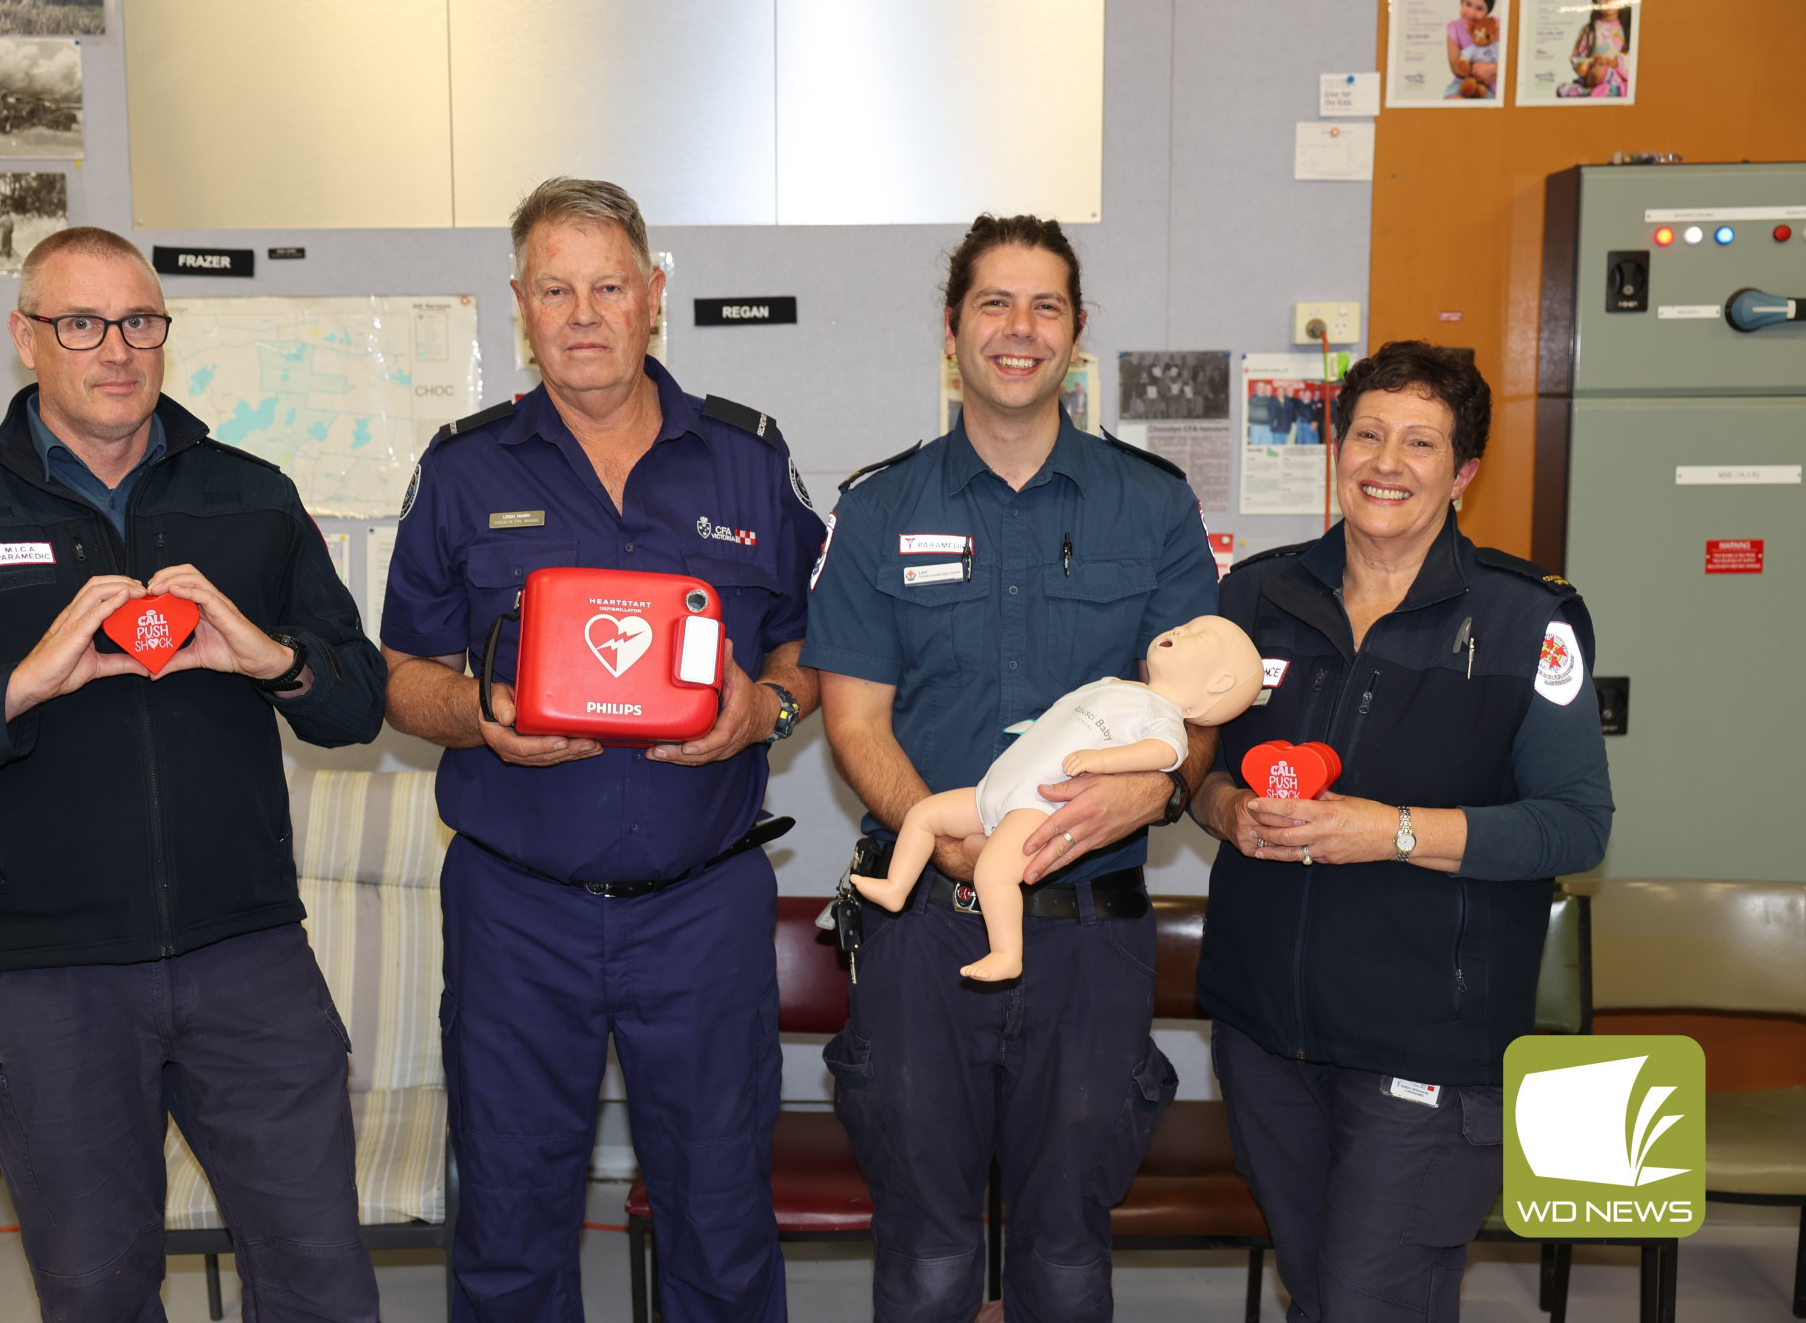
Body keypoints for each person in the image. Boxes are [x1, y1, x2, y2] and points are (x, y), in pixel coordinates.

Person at [0, 227, 387, 1322]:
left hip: (246, 958)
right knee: (96, 1291)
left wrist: (273, 660)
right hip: (49, 980)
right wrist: (10, 688)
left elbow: (357, 702)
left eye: (140, 322)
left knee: (320, 1280)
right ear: (27, 338)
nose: (117, 349)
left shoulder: (250, 496)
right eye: (81, 323)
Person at [378, 176, 825, 1323]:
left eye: (608, 286)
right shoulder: (462, 470)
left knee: (720, 1219)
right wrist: (477, 717)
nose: (583, 313)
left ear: (652, 297)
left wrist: (762, 713)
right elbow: (397, 674)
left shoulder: (748, 461)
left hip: (702, 905)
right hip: (517, 909)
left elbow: (814, 646)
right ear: (519, 306)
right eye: (556, 288)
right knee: (512, 1225)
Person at [804, 213, 1220, 1322]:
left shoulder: (1152, 502)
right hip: (922, 932)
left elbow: (1203, 707)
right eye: (993, 303)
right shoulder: (880, 507)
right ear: (950, 331)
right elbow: (853, 723)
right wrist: (946, 837)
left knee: (1067, 1256)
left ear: (1077, 335)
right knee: (928, 1252)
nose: (1018, 329)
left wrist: (1160, 784)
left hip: (1091, 929)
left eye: (1045, 307)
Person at [1191, 341, 1615, 1323]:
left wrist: (1391, 832)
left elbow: (1572, 826)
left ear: (1461, 471)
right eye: (1368, 434)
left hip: (1427, 1037)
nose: (1386, 462)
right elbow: (1195, 770)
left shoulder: (1526, 622)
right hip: (1265, 1033)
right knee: (1317, 1291)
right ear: (1337, 446)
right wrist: (1224, 812)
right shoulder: (1253, 598)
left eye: (1418, 443)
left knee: (1368, 1305)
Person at [852, 616, 1261, 982]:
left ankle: (1006, 954)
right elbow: (1063, 716)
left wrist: (1105, 759)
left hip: (1036, 806)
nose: (1178, 630)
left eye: (1197, 636)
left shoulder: (1164, 717)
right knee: (925, 814)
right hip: (996, 789)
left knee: (993, 871)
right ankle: (896, 886)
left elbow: (1165, 753)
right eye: (1183, 625)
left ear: (1219, 684)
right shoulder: (1114, 686)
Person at [1560, 0, 1633, 99]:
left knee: (1602, 73)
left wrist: (1616, 63)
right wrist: (1592, 62)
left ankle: (1601, 91)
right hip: (1594, 76)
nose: (1609, 0)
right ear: (1596, 1)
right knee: (1596, 73)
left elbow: (1639, 58)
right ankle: (1604, 91)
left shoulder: (1629, 28)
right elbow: (1576, 58)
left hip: (1620, 76)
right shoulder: (1590, 30)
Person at [1443, 0, 1501, 100]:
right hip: (1463, 82)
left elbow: (1510, 59)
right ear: (1461, 1)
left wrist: (1493, 69)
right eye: (1468, 4)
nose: (1471, 12)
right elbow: (1455, 66)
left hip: (1492, 85)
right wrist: (1475, 70)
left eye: (1479, 8)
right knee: (1454, 100)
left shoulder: (1495, 27)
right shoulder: (1454, 28)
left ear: (1488, 11)